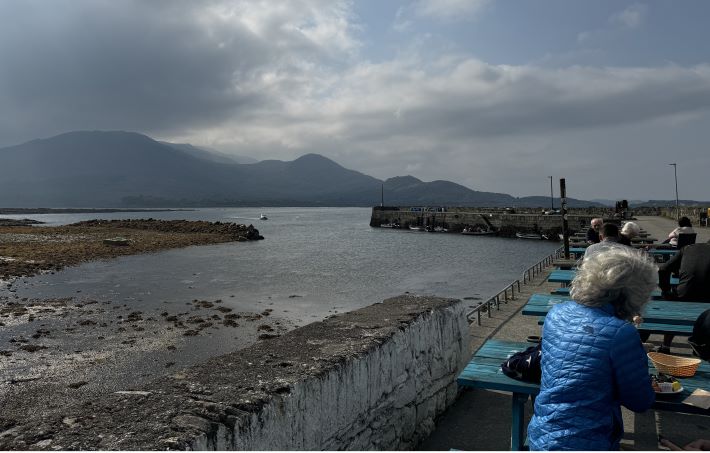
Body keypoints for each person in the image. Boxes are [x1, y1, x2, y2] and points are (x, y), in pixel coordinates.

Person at [527, 247, 657, 451]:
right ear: (633, 294)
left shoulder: (556, 313)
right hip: (588, 442)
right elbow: (640, 401)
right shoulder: (621, 333)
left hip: (541, 435)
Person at [656, 242, 710, 352]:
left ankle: (666, 346)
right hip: (707, 298)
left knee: (675, 311)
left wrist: (666, 290)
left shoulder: (688, 248)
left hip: (683, 294)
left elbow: (663, 269)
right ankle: (701, 347)